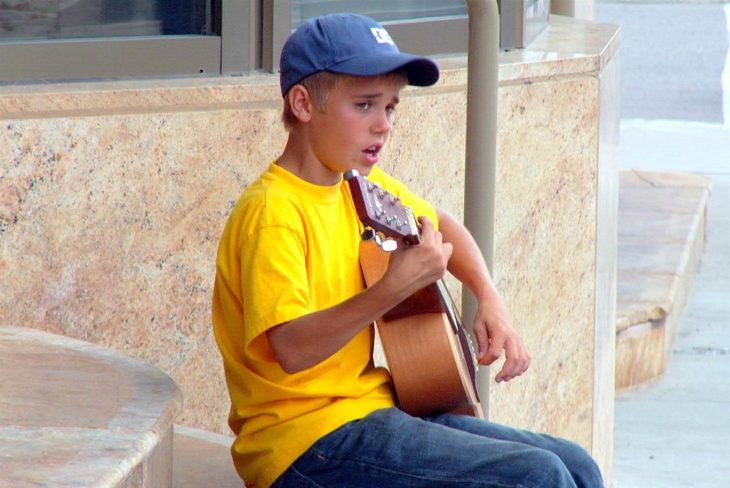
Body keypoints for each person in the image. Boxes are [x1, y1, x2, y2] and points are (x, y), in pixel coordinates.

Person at [212, 12, 605, 488]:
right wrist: (393, 287)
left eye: (391, 108)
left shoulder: (357, 184)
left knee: (575, 464)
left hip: (370, 411)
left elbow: (440, 225)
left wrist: (488, 296)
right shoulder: (273, 212)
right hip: (304, 444)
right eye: (364, 106)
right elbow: (292, 348)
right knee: (537, 477)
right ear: (303, 104)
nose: (383, 126)